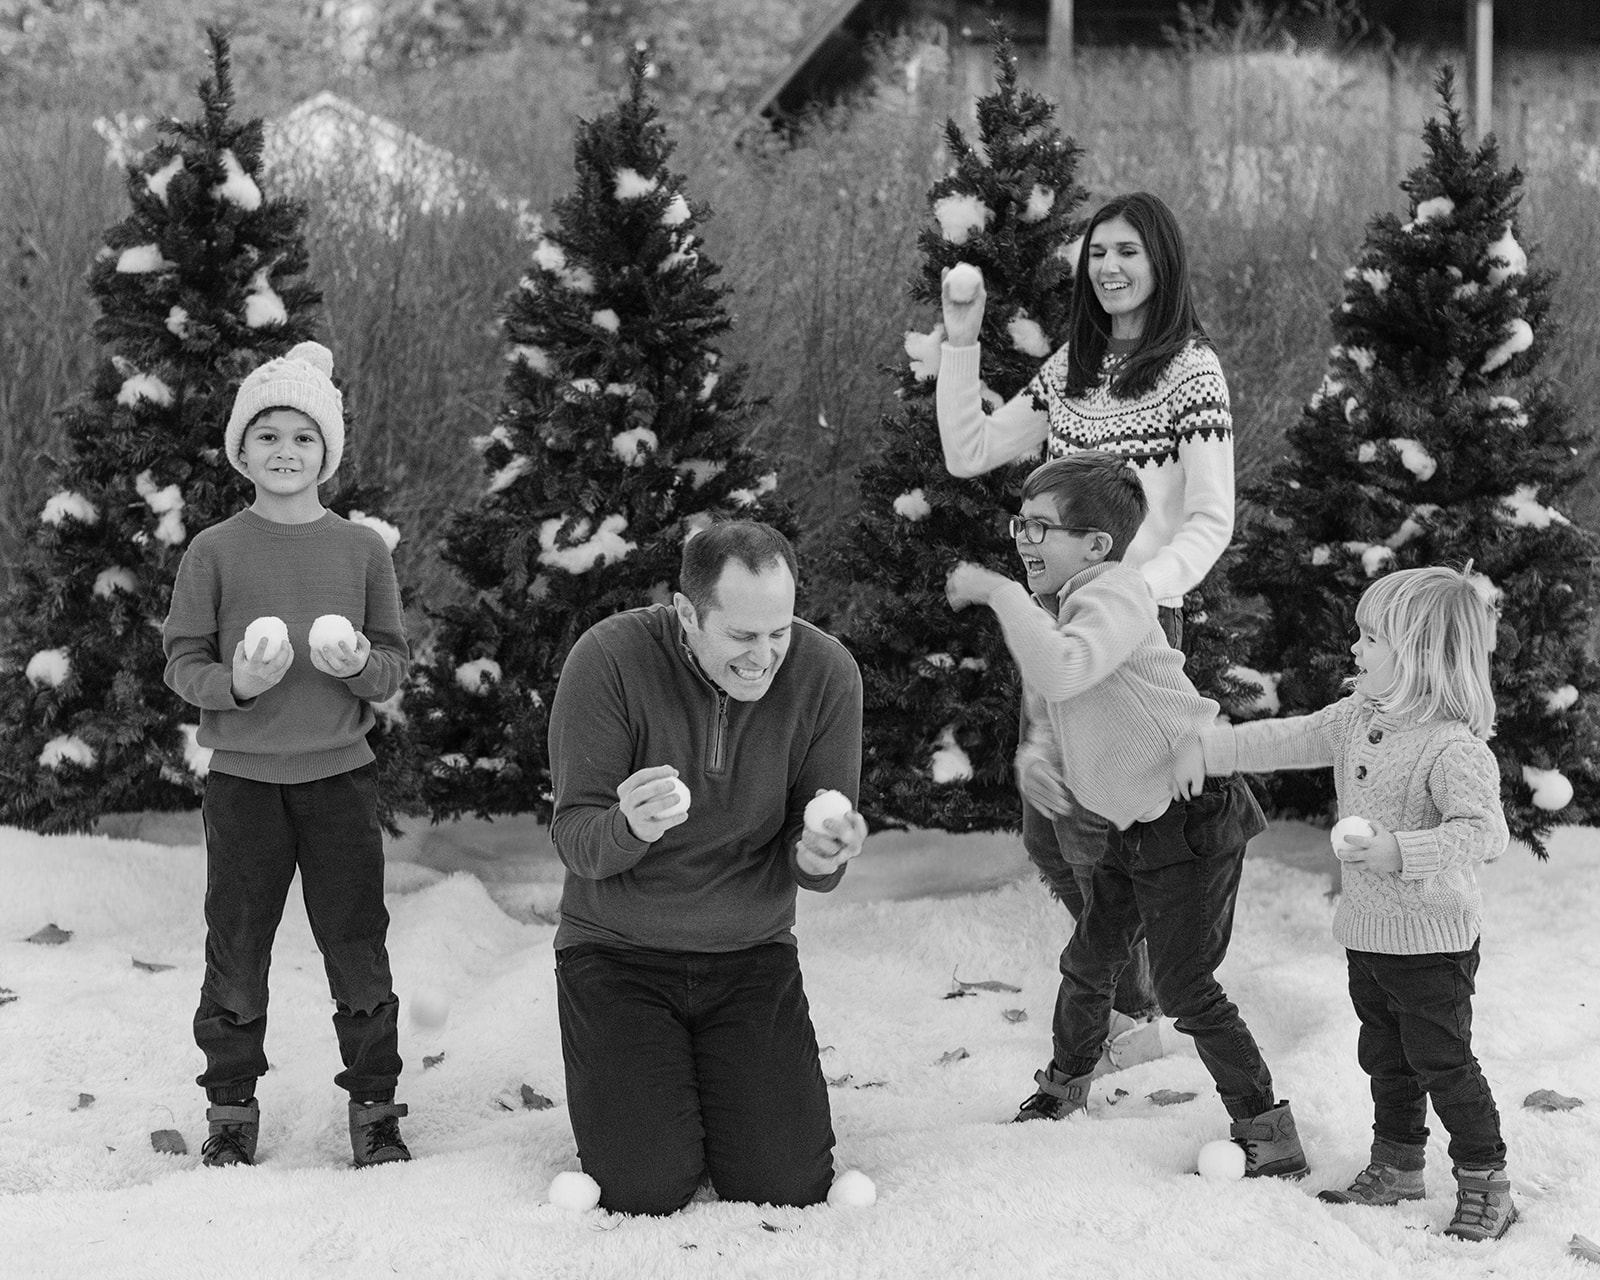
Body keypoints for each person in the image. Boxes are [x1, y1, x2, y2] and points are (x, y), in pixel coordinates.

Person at [936, 191, 1236, 1069]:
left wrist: (1132, 595)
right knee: (1049, 825)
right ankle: (1134, 998)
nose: (1109, 267)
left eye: (1129, 253)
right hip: (1064, 626)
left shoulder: (1192, 372)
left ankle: (1132, 1011)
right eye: (1098, 252)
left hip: (1137, 626)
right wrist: (963, 335)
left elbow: (1210, 521)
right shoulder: (1075, 367)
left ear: (1162, 264)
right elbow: (971, 450)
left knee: (1098, 827)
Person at [946, 452, 1307, 1179]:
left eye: (1040, 526)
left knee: (1184, 986)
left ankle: (1269, 1131)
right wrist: (1042, 753)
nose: (1022, 538)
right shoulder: (1076, 604)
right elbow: (1066, 693)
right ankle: (1064, 1086)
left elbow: (1065, 669)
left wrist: (996, 592)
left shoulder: (1116, 593)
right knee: (1090, 959)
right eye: (1021, 522)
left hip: (1192, 821)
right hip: (1134, 825)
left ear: (1097, 546)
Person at [1177, 566, 1514, 1239]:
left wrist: (1402, 851)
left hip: (1433, 943)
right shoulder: (1360, 715)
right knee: (1385, 1057)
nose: (1355, 650)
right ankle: (1396, 1164)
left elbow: (1486, 833)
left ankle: (1486, 1181)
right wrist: (1213, 749)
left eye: (1370, 638)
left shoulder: (1453, 747)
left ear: (1420, 654)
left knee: (1443, 1062)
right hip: (1369, 935)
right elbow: (1293, 737)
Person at [547, 520, 868, 1216]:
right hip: (617, 954)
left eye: (779, 630)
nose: (766, 656)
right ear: (687, 613)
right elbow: (576, 837)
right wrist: (628, 826)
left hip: (750, 956)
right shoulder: (608, 659)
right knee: (643, 1187)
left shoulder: (826, 673)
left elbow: (813, 845)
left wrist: (820, 857)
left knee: (787, 1185)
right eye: (742, 636)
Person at [163, 341, 412, 1169]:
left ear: (327, 452)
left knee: (355, 941)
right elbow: (181, 661)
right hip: (243, 784)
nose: (285, 452)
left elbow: (392, 663)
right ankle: (230, 1109)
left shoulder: (362, 552)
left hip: (340, 780)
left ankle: (375, 1106)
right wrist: (231, 682)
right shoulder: (215, 551)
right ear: (241, 450)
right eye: (266, 435)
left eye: (303, 437)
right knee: (237, 942)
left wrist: (357, 669)